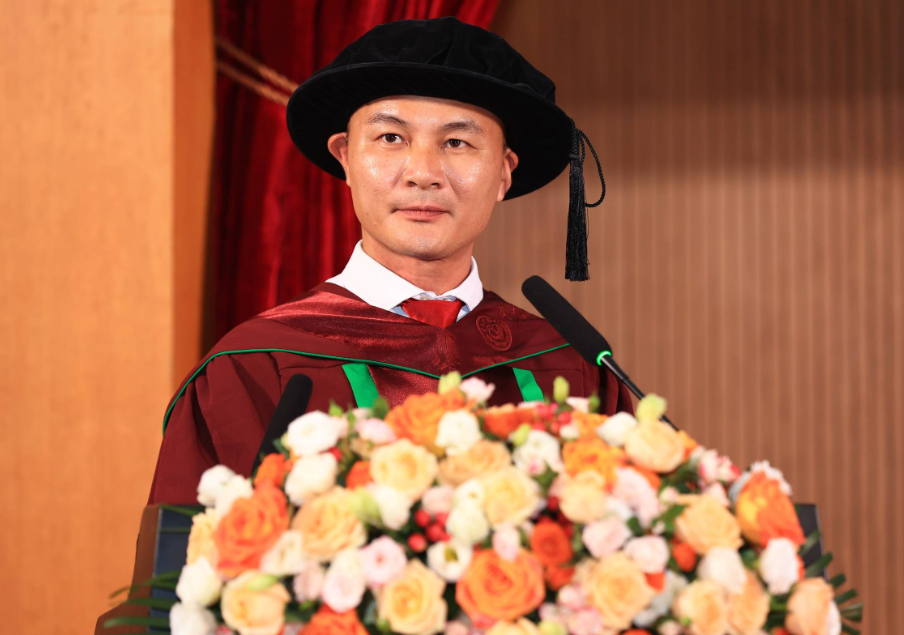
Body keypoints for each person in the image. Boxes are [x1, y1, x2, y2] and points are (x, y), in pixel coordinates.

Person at [148, 17, 633, 505]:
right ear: (345, 157)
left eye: (457, 142)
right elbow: (187, 550)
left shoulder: (571, 369)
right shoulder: (253, 368)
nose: (423, 173)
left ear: (504, 174)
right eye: (391, 138)